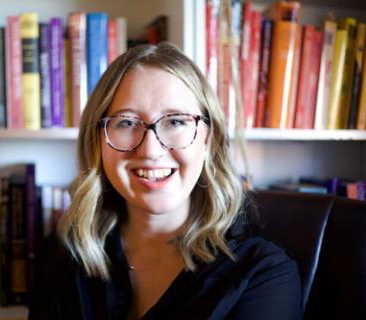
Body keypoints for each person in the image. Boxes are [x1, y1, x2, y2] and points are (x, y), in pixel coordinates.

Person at [28, 43, 301, 320]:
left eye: (176, 122)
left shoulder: (265, 273)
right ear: (97, 141)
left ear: (209, 139)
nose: (150, 150)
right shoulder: (63, 254)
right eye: (125, 122)